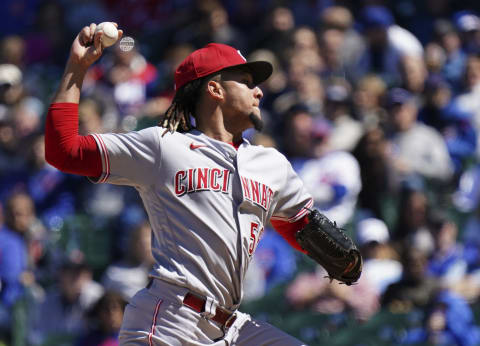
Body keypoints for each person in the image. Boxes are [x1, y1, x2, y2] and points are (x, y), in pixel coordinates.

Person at [42, 23, 346, 345]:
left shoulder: (272, 164)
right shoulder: (164, 147)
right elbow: (64, 151)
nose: (258, 91)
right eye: (245, 82)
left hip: (232, 327)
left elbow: (300, 226)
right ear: (215, 89)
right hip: (171, 320)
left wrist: (339, 259)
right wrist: (77, 66)